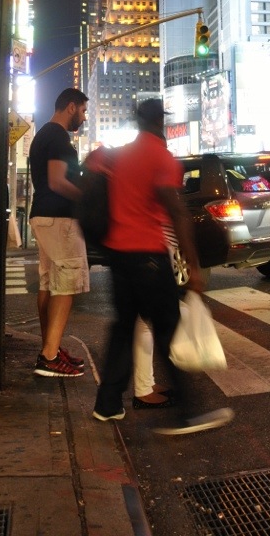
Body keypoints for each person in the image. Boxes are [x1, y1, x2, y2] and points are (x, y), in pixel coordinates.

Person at [87, 97, 233, 435]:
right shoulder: (161, 157)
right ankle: (187, 414)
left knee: (124, 328)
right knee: (168, 330)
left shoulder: (122, 156)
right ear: (160, 122)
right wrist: (193, 266)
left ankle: (107, 405)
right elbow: (177, 212)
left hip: (119, 256)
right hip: (149, 257)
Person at [29, 87, 90, 378]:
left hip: (44, 216)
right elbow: (57, 181)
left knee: (48, 284)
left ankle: (49, 348)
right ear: (71, 107)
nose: (84, 117)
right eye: (83, 110)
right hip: (59, 219)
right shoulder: (57, 136)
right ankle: (49, 356)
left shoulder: (44, 134)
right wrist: (87, 199)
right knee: (65, 285)